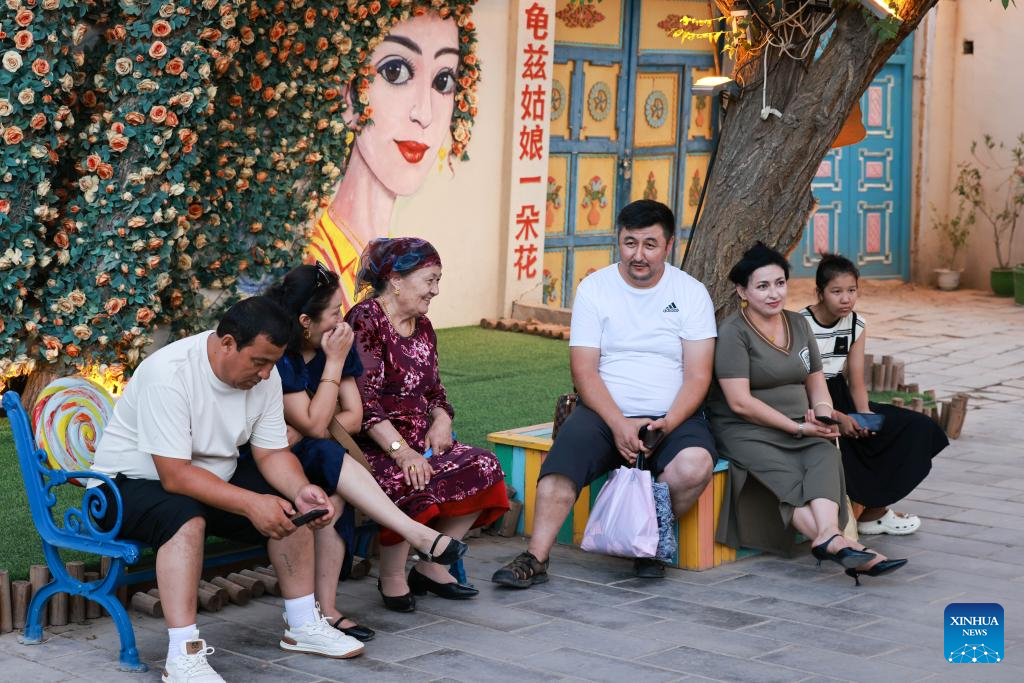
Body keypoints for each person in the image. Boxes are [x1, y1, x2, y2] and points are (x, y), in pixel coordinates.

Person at [88, 297, 465, 682]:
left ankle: (303, 625)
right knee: (185, 519)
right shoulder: (169, 373)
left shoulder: (265, 377)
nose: (267, 374)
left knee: (291, 506)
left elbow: (271, 454)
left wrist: (301, 490)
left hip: (206, 476)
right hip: (122, 486)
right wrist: (252, 504)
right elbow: (175, 476)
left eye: (273, 363)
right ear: (227, 343)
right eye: (259, 362)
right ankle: (183, 655)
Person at [492, 199, 720, 587]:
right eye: (630, 243)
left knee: (694, 465)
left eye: (650, 244)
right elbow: (584, 371)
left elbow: (698, 376)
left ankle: (648, 544)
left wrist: (668, 422)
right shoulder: (595, 288)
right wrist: (618, 424)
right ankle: (536, 556)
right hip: (602, 413)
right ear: (619, 241)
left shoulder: (691, 292)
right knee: (560, 470)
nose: (638, 255)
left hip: (672, 416)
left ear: (669, 245)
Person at [264, 263, 470, 640]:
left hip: (315, 451)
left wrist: (314, 419)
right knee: (323, 454)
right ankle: (416, 535)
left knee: (334, 498)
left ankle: (326, 611)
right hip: (274, 456)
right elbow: (315, 425)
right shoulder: (284, 355)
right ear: (305, 321)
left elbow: (354, 418)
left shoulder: (337, 344)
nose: (341, 321)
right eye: (333, 313)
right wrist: (333, 369)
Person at [707, 243, 907, 585]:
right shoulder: (733, 333)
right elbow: (739, 402)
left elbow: (817, 385)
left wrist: (824, 417)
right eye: (762, 286)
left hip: (799, 422)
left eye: (780, 283)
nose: (774, 293)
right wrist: (795, 428)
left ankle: (830, 537)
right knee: (789, 474)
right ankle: (846, 545)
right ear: (742, 291)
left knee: (824, 453)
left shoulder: (798, 324)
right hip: (746, 428)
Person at [345, 237, 509, 612]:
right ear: (396, 280)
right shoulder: (366, 320)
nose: (435, 290)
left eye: (438, 280)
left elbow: (435, 391)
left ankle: (432, 566)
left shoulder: (423, 326)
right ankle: (392, 575)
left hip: (420, 440)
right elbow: (364, 405)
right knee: (412, 477)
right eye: (430, 280)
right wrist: (403, 453)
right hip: (373, 445)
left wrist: (442, 419)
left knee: (484, 465)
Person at [307, 5, 480, 309]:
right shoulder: (317, 262)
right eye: (395, 72)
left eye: (443, 82)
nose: (424, 114)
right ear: (348, 92)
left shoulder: (386, 261)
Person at [801, 254, 947, 536]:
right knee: (843, 443)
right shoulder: (800, 323)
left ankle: (874, 512)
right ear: (820, 292)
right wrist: (838, 418)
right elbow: (802, 381)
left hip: (842, 396)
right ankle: (868, 512)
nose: (846, 299)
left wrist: (864, 416)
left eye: (852, 290)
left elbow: (856, 381)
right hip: (812, 401)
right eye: (836, 291)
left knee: (916, 427)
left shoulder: (856, 324)